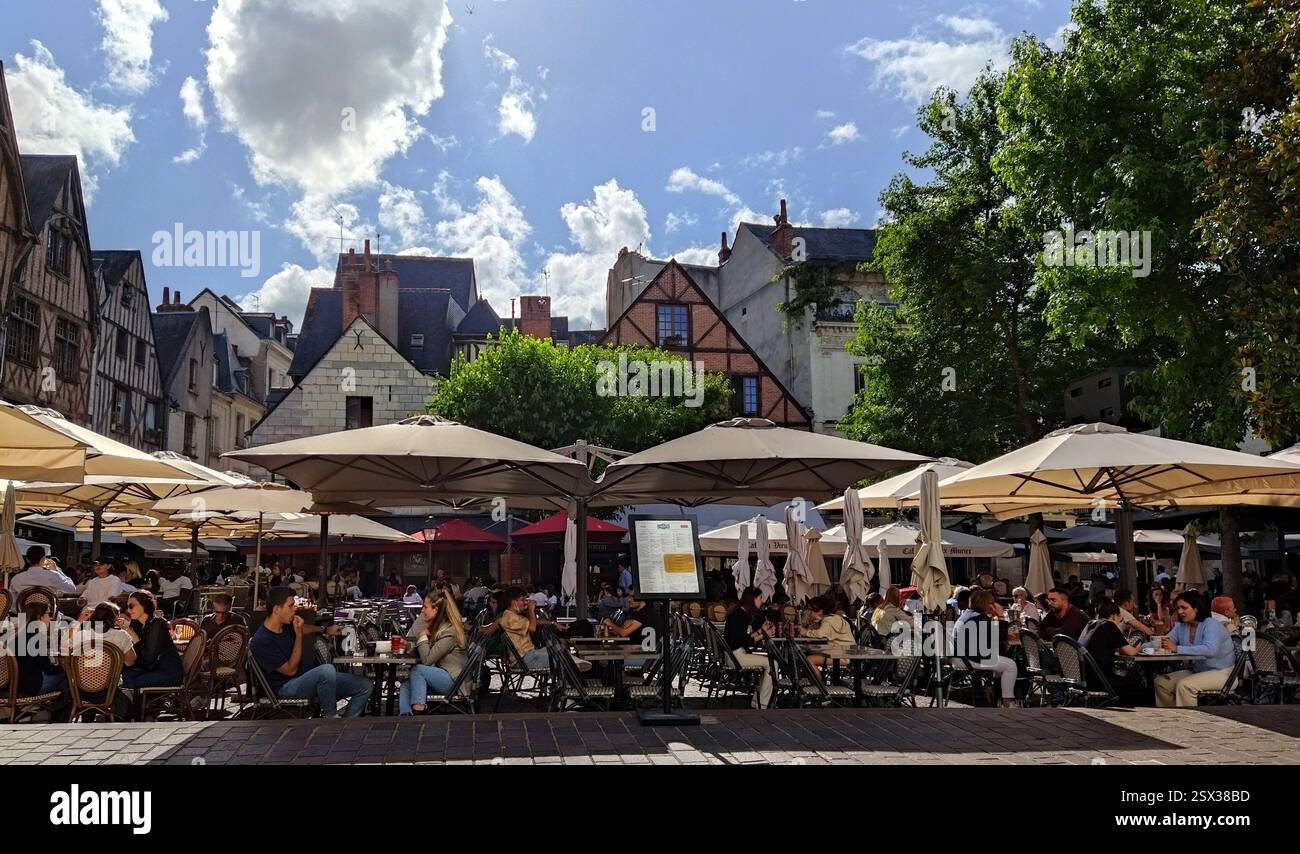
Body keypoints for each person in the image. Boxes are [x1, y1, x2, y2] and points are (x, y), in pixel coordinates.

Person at [250, 586, 372, 717]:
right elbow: (290, 670)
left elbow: (304, 628)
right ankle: (330, 717)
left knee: (364, 685)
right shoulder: (262, 640)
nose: (294, 610)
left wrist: (325, 630)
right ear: (276, 609)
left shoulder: (285, 626)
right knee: (326, 670)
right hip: (285, 687)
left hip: (306, 678)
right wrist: (298, 636)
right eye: (290, 606)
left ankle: (346, 724)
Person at [1154, 590, 1237, 707]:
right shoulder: (1182, 626)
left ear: (1196, 608)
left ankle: (1189, 721)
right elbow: (1165, 641)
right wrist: (1141, 647)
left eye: (1184, 608)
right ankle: (1173, 718)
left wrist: (1177, 648)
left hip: (1222, 673)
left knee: (1185, 686)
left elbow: (1210, 650)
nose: (1180, 611)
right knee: (1161, 683)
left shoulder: (1211, 624)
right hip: (1198, 671)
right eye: (1178, 608)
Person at [484, 587, 590, 672]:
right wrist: (531, 610)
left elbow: (530, 622)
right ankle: (574, 667)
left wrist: (552, 622)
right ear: (514, 602)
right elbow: (532, 628)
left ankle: (573, 665)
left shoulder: (513, 616)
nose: (525, 602)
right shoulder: (509, 617)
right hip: (525, 659)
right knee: (561, 657)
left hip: (529, 655)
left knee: (558, 651)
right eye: (522, 600)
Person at [399, 590, 469, 714]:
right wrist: (409, 647)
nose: (422, 610)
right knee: (406, 684)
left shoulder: (450, 631)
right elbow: (429, 651)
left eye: (425, 607)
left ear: (436, 609)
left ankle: (418, 710)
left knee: (418, 670)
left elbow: (427, 660)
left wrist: (422, 636)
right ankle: (405, 716)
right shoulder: (438, 627)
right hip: (442, 675)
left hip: (454, 681)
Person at [952, 589, 1017, 707]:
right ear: (986, 604)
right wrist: (1001, 616)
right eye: (991, 603)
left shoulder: (968, 614)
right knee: (1010, 665)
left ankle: (996, 697)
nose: (993, 606)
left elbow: (989, 634)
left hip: (959, 656)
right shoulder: (979, 618)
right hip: (970, 658)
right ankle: (1008, 702)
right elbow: (998, 637)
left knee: (1001, 665)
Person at [1079, 602, 1146, 705]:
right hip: (1101, 679)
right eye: (1120, 618)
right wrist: (1140, 645)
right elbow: (1131, 652)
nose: (1121, 621)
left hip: (1085, 677)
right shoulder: (1109, 626)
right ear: (1114, 616)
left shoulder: (1090, 624)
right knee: (1140, 688)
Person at [723, 587, 775, 709]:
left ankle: (758, 702)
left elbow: (742, 637)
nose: (762, 601)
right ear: (753, 599)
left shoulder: (739, 613)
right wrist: (761, 635)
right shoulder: (740, 616)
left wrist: (759, 632)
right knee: (772, 664)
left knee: (770, 664)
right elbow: (739, 641)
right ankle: (762, 703)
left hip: (733, 654)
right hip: (736, 656)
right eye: (760, 598)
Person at [120, 591, 184, 690]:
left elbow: (148, 659)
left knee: (129, 679)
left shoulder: (157, 624)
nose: (129, 610)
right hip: (154, 668)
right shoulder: (141, 625)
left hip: (167, 672)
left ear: (144, 605)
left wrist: (135, 638)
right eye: (128, 606)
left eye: (132, 606)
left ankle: (134, 705)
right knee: (125, 674)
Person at [15, 601, 67, 698]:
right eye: (48, 614)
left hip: (16, 686)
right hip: (32, 687)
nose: (50, 618)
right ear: (39, 617)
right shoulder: (37, 637)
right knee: (68, 678)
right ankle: (59, 710)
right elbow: (47, 668)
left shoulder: (16, 635)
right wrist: (62, 669)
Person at [599, 590, 663, 667]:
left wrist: (610, 623)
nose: (629, 600)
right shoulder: (637, 613)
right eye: (629, 597)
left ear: (642, 598)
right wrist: (609, 627)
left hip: (642, 656)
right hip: (634, 652)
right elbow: (622, 630)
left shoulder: (645, 613)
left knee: (604, 661)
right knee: (605, 659)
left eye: (633, 597)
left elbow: (623, 633)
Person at [8, 545, 76, 607]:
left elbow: (12, 601)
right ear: (44, 559)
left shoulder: (16, 579)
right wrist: (57, 570)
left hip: (23, 617)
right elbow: (72, 589)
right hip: (49, 617)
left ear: (27, 560)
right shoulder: (53, 575)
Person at [801, 595, 855, 672]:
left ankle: (818, 683)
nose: (808, 612)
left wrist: (805, 632)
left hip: (843, 656)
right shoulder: (832, 618)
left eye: (810, 610)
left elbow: (820, 634)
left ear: (820, 611)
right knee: (809, 654)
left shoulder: (829, 621)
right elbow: (816, 630)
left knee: (810, 660)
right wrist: (807, 624)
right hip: (839, 652)